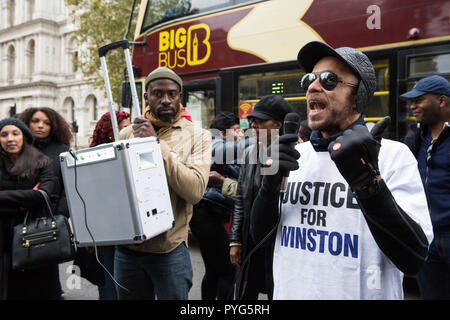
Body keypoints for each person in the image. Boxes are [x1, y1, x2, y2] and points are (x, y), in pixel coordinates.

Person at [249, 41, 433, 299]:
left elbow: (413, 258)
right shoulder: (294, 157)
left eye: (329, 79)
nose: (313, 87)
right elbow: (261, 238)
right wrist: (268, 188)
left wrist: (368, 183)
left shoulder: (392, 156)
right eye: (308, 80)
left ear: (359, 95)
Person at [116, 66, 211, 300]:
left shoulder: (199, 136)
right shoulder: (127, 133)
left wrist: (156, 145)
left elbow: (195, 191)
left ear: (180, 96)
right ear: (146, 97)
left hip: (169, 249)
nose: (166, 100)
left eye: (172, 94)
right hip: (127, 249)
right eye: (158, 93)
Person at [230, 95, 294, 300]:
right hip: (251, 241)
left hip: (279, 242)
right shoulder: (249, 153)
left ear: (278, 124)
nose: (254, 125)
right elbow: (241, 198)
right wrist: (236, 241)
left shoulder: (295, 155)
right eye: (252, 121)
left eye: (260, 120)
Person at [71, 110, 132, 300]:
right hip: (105, 235)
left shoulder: (131, 151)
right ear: (109, 131)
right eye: (123, 128)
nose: (129, 130)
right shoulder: (92, 157)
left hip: (129, 230)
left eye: (130, 127)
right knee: (110, 287)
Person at [400, 75, 450, 299]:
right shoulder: (415, 138)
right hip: (427, 236)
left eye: (419, 100)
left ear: (442, 101)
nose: (412, 106)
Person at [16, 107, 73, 299]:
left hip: (49, 218)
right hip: (18, 218)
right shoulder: (17, 148)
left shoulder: (61, 150)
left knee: (46, 268)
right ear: (26, 122)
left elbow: (69, 187)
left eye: (47, 123)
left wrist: (60, 214)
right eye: (35, 121)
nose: (41, 126)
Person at [0, 117, 58, 300]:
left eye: (15, 133)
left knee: (37, 288)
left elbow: (44, 195)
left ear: (24, 136)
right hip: (2, 238)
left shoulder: (42, 162)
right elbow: (34, 196)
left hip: (34, 235)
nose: (10, 139)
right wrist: (27, 199)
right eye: (4, 134)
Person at [189, 112, 244, 300]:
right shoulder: (215, 143)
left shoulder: (229, 151)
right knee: (228, 271)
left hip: (210, 214)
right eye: (236, 130)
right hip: (205, 213)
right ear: (222, 133)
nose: (241, 134)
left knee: (213, 270)